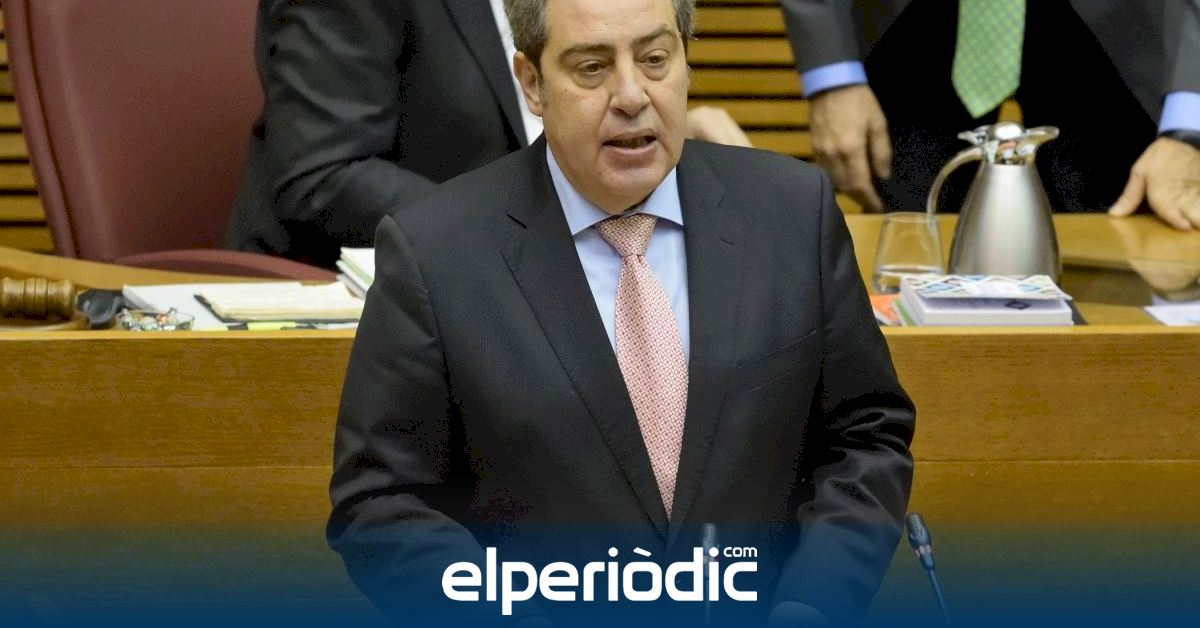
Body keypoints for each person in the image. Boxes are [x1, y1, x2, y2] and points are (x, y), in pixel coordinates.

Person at [327, 0, 915, 626]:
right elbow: (381, 505)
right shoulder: (435, 252)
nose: (632, 95)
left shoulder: (793, 213)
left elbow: (866, 437)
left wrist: (814, 604)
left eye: (655, 59)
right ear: (532, 83)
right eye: (592, 67)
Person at [223, 0, 750, 268]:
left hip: (541, 280)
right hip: (346, 307)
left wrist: (657, 134)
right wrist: (523, 227)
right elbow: (321, 174)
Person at [780, 0, 1200, 230]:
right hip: (906, 24)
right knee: (907, 253)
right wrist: (831, 75)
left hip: (1126, 29)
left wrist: (1190, 124)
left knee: (1120, 253)